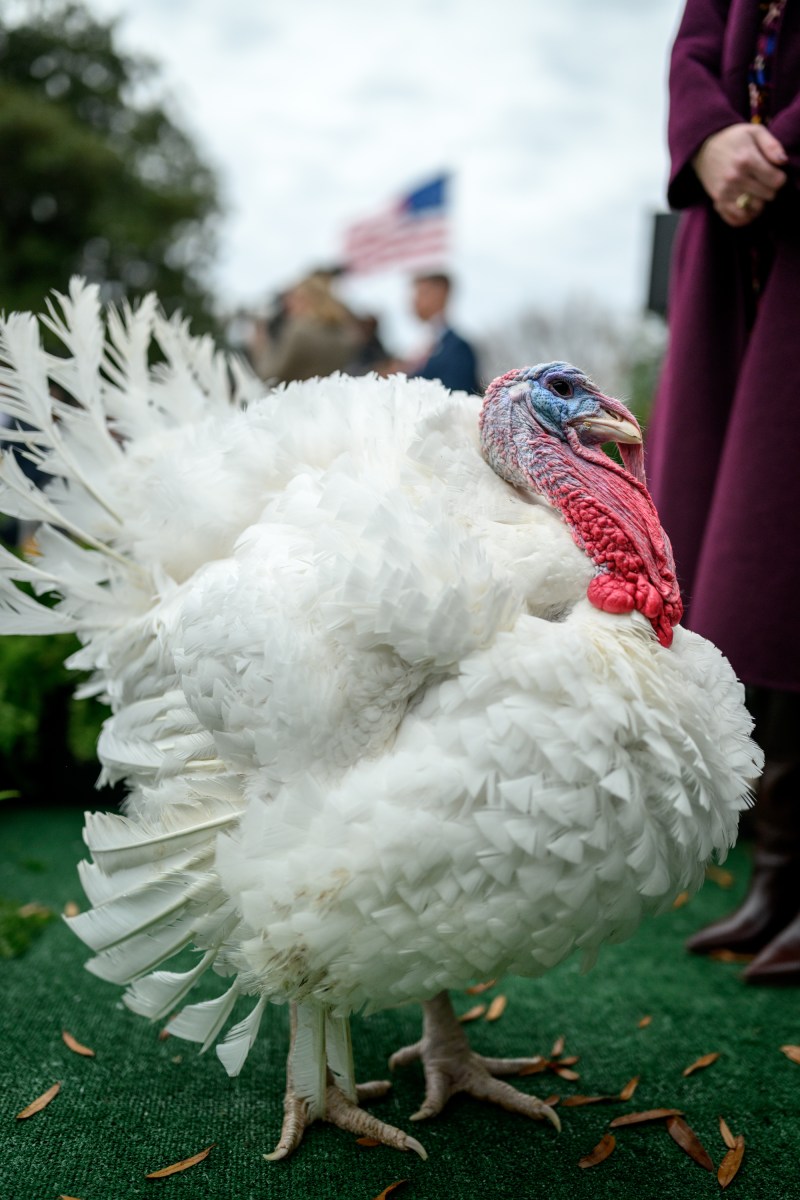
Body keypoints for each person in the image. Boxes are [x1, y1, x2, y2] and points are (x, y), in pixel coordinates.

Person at [646, 0, 800, 982]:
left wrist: (773, 149)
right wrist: (706, 141)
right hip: (735, 241)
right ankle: (778, 874)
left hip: (779, 195)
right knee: (755, 562)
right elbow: (697, 41)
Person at [248, 273, 361, 384]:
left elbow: (269, 375)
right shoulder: (344, 333)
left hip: (298, 398)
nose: (288, 305)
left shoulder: (300, 331)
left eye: (293, 299)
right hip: (327, 396)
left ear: (306, 300)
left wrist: (261, 346)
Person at [405, 272, 481, 394]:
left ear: (441, 293)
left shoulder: (457, 349)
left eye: (422, 293)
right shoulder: (424, 346)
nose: (414, 301)